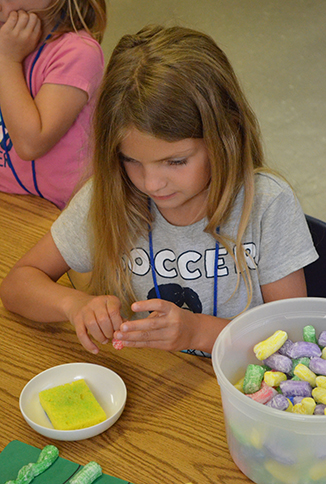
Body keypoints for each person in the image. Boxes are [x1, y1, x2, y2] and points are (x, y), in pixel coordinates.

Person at [0, 25, 318, 357]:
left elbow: (294, 340)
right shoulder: (111, 195)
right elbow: (18, 284)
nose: (151, 183)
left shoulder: (267, 204)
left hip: (231, 390)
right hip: (153, 380)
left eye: (175, 161)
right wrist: (73, 304)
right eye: (131, 159)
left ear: (226, 135)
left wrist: (198, 331)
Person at [0, 0, 106, 209]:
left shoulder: (79, 53)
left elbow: (31, 144)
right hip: (9, 203)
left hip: (60, 216)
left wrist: (6, 60)